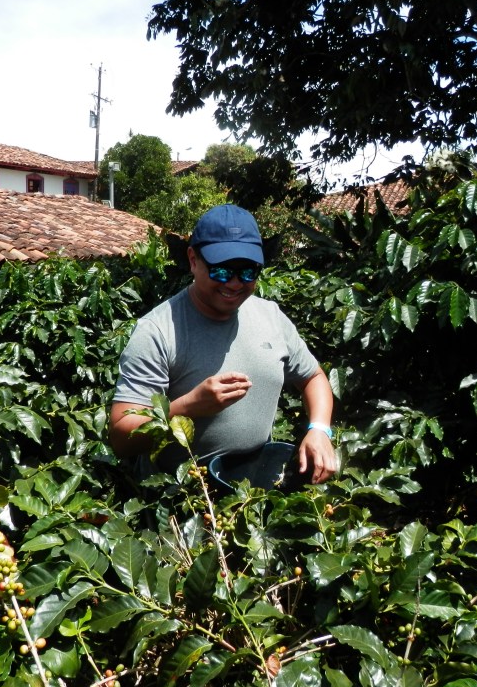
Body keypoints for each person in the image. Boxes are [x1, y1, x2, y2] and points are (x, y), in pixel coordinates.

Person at [110, 204, 338, 484]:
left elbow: (313, 377)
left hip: (254, 492)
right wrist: (188, 407)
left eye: (248, 272)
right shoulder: (157, 331)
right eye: (221, 271)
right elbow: (121, 437)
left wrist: (319, 429)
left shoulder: (271, 317)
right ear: (193, 260)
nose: (234, 283)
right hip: (183, 499)